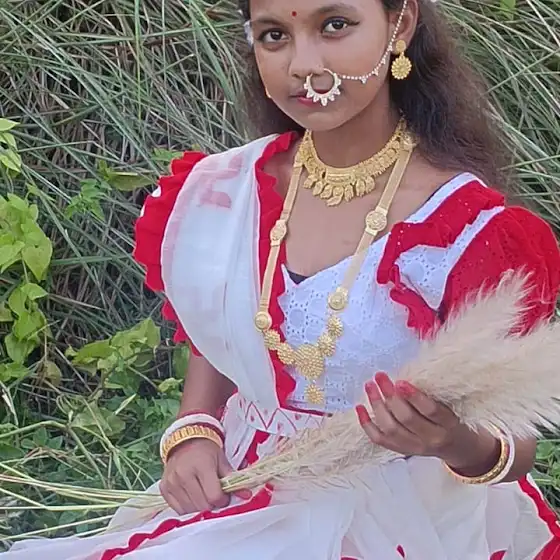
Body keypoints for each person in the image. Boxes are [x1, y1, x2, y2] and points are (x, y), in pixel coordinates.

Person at [4, 0, 560, 558]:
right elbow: (219, 331)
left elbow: (515, 444)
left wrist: (451, 440)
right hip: (241, 486)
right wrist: (194, 431)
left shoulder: (468, 231)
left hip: (401, 517)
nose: (302, 64)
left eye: (334, 26)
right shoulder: (227, 189)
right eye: (274, 36)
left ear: (401, 25)